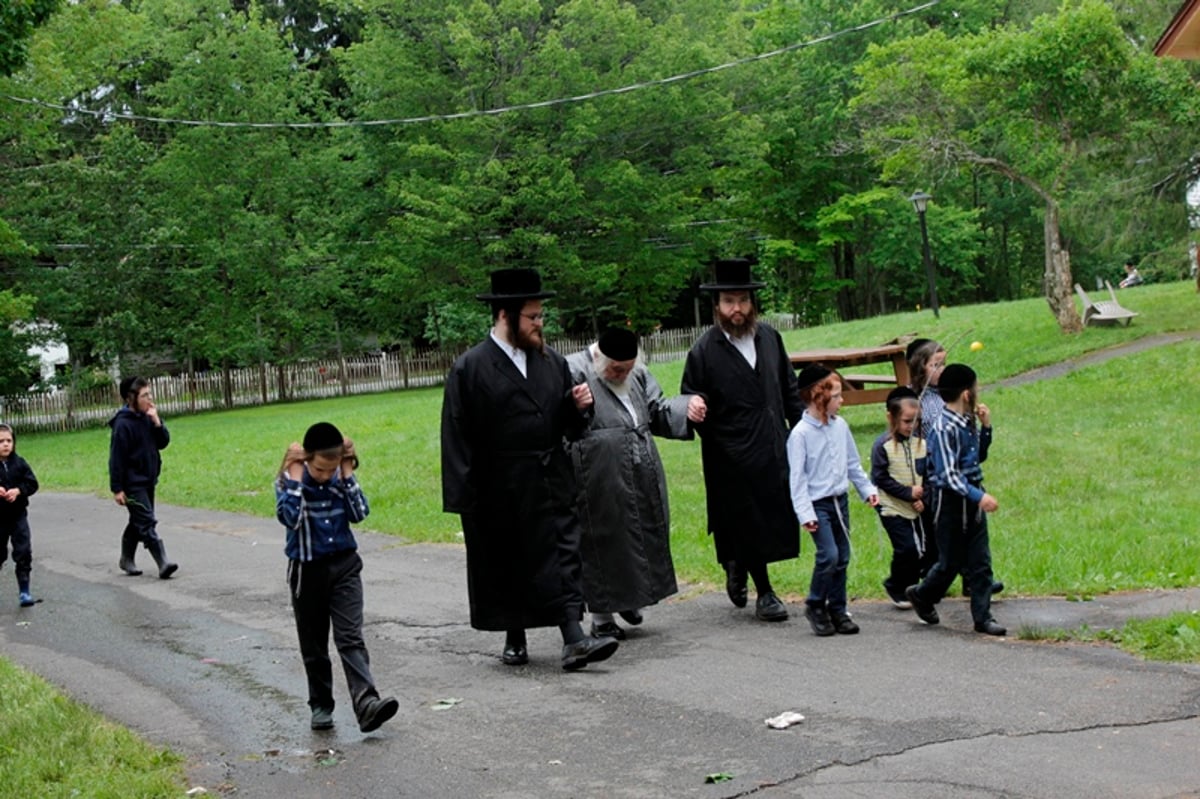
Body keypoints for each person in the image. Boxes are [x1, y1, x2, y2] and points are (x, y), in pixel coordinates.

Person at [441, 267, 619, 671]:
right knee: (510, 561)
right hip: (498, 484)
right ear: (506, 315)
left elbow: (568, 428)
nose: (541, 324)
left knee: (562, 555)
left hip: (550, 476)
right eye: (533, 317)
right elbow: (456, 434)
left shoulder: (551, 362)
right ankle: (514, 634)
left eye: (541, 316)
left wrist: (578, 407)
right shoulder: (470, 368)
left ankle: (574, 638)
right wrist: (465, 497)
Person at [680, 258, 803, 623]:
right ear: (717, 306)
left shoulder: (769, 338)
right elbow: (691, 398)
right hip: (730, 455)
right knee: (746, 519)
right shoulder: (704, 350)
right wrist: (698, 412)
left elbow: (790, 390)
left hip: (772, 446)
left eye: (743, 301)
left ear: (753, 303)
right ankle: (765, 591)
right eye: (730, 302)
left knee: (772, 517)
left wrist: (802, 433)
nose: (738, 309)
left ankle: (736, 563)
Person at [566, 327, 704, 640]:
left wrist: (688, 407)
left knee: (640, 533)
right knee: (604, 539)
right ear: (599, 357)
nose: (622, 374)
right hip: (597, 471)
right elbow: (561, 420)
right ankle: (602, 618)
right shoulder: (574, 371)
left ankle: (629, 597)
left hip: (640, 465)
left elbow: (657, 411)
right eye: (616, 369)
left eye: (627, 369)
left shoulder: (636, 374)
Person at [277, 422, 399, 732]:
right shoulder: (292, 481)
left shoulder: (338, 479)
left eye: (330, 469)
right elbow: (289, 518)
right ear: (306, 459)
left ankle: (367, 702)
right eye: (319, 469)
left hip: (345, 567)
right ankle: (320, 705)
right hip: (307, 571)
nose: (323, 475)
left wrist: (346, 473)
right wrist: (294, 476)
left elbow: (359, 513)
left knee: (350, 637)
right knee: (314, 644)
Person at [905, 364, 1006, 636]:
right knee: (949, 563)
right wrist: (979, 496)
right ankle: (923, 594)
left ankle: (983, 618)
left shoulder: (967, 421)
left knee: (981, 562)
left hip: (971, 500)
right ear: (965, 394)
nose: (977, 391)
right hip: (950, 503)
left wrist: (986, 429)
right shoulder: (943, 428)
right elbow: (949, 475)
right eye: (975, 387)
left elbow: (976, 459)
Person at [787, 366, 878, 636]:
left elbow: (853, 464)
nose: (842, 401)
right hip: (818, 505)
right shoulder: (800, 434)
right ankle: (815, 604)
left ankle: (838, 609)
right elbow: (797, 479)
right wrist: (805, 514)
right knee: (829, 555)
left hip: (841, 502)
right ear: (819, 397)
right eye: (837, 396)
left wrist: (866, 490)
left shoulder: (841, 426)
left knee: (843, 556)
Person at [109, 376, 177, 579]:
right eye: (144, 395)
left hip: (148, 479)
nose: (150, 398)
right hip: (132, 483)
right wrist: (117, 488)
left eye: (150, 394)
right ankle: (163, 562)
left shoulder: (148, 417)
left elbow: (163, 442)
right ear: (131, 398)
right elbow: (116, 459)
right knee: (146, 521)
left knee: (139, 520)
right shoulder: (123, 425)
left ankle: (126, 558)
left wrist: (157, 423)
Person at [869, 387, 930, 610]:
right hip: (891, 506)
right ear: (891, 417)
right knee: (906, 548)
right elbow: (880, 478)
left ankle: (912, 587)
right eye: (906, 421)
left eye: (916, 421)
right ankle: (896, 585)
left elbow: (928, 475)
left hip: (916, 506)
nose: (911, 426)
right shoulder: (882, 446)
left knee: (922, 549)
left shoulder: (922, 444)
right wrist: (906, 493)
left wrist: (924, 496)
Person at [0, 424, 40, 607]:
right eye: (1, 441)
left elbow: (32, 484)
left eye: (9, 441)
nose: (5, 445)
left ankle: (24, 590)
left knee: (23, 551)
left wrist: (18, 491)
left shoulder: (20, 463)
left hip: (18, 516)